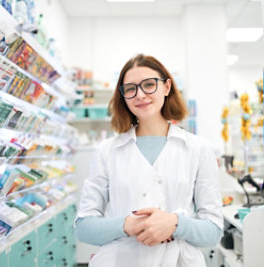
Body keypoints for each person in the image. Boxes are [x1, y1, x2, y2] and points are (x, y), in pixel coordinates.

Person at [74, 54, 223, 267]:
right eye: (131, 88)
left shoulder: (198, 149)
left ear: (167, 87)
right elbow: (83, 227)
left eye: (149, 85)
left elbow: (213, 232)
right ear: (123, 96)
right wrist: (127, 225)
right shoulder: (107, 151)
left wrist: (174, 224)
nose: (140, 94)